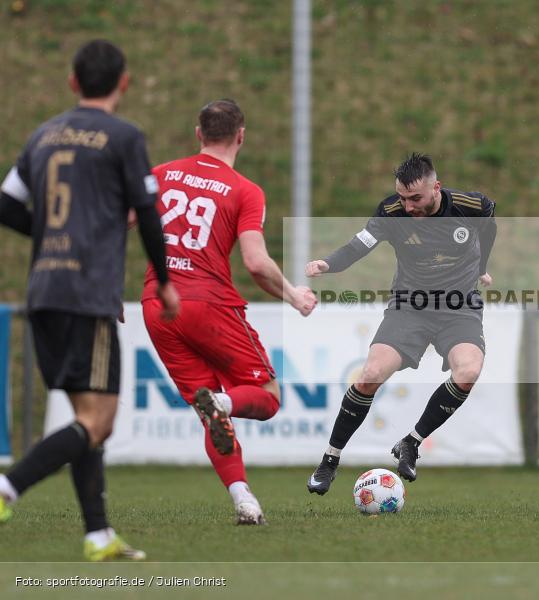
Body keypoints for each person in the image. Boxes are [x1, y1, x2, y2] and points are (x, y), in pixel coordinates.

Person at [0, 39, 180, 560]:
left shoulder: (43, 134)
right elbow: (147, 213)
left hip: (44, 290)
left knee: (85, 417)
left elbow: (5, 202)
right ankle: (8, 488)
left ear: (73, 82)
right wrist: (164, 281)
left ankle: (98, 534)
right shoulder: (123, 136)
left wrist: (47, 234)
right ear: (123, 83)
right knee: (99, 421)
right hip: (86, 294)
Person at [141, 99, 317, 525]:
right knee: (267, 397)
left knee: (210, 414)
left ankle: (244, 500)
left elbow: (111, 220)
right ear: (241, 135)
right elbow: (256, 263)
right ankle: (220, 402)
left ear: (198, 133)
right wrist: (294, 295)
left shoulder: (161, 175)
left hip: (157, 306)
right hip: (208, 304)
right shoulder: (243, 190)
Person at [306, 153, 496, 494]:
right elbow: (358, 245)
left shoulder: (472, 205)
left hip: (460, 308)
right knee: (369, 377)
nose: (407, 206)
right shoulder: (391, 211)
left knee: (468, 372)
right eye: (403, 197)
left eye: (415, 198)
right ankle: (329, 460)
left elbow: (489, 227)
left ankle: (411, 442)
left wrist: (482, 265)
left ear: (436, 188)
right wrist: (327, 264)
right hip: (409, 307)